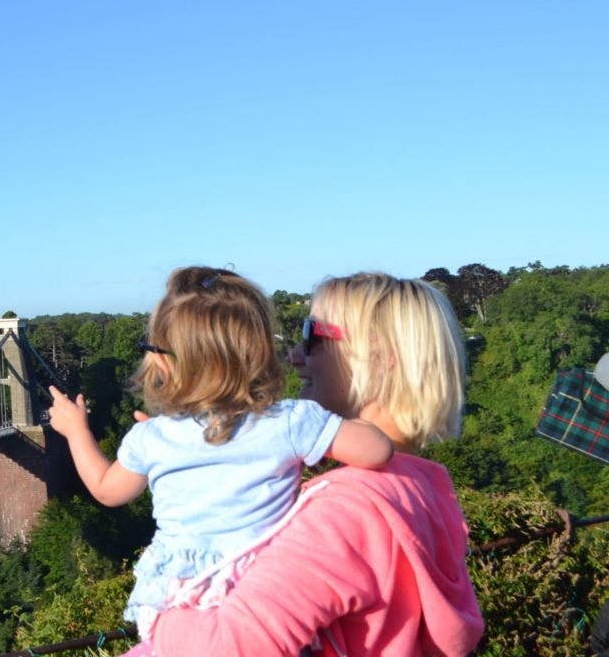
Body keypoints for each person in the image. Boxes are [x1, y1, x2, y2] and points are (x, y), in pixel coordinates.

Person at [140, 272, 485, 656]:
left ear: (381, 355)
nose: (293, 355)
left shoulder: (348, 510)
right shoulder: (421, 484)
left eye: (312, 335)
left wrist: (162, 612)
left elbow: (225, 648)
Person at [47, 267, 394, 637]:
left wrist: (76, 432)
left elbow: (105, 489)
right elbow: (378, 451)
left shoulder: (150, 438)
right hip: (266, 592)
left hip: (177, 599)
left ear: (162, 361)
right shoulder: (290, 421)